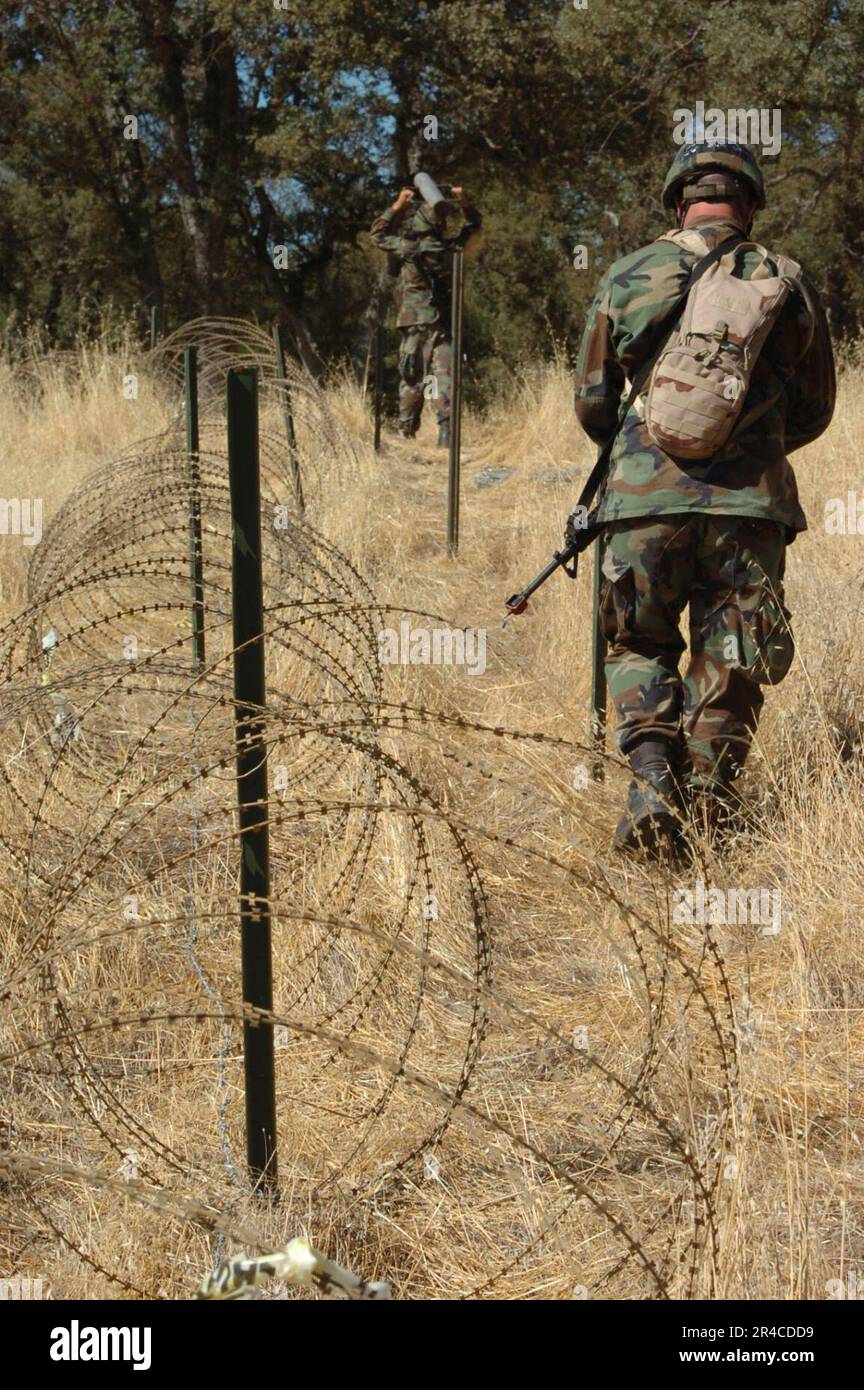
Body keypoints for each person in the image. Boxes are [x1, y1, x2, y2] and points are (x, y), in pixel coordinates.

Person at [572, 141, 836, 854]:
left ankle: (654, 779)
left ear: (679, 200)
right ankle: (711, 810)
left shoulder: (628, 274)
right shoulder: (790, 280)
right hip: (750, 508)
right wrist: (751, 445)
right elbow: (814, 410)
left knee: (639, 641)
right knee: (733, 656)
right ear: (748, 205)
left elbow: (593, 403)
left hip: (640, 503)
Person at [369, 183, 482, 446]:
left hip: (415, 323)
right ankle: (446, 435)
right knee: (445, 376)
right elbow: (474, 225)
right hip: (443, 323)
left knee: (412, 378)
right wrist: (463, 202)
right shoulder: (451, 249)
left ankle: (406, 432)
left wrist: (398, 206)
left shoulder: (408, 248)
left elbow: (377, 234)